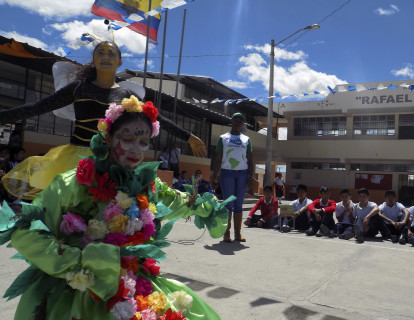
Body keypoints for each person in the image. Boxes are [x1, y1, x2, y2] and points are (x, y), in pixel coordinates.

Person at [0, 98, 230, 320]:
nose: (136, 149)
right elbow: (27, 230)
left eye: (143, 142)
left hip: (133, 283)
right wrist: (80, 264)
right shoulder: (73, 184)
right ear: (109, 138)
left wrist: (209, 209)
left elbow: (178, 202)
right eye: (127, 138)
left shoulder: (148, 185)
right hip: (79, 288)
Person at [0, 41, 207, 200]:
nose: (106, 56)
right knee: (72, 212)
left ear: (120, 62)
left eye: (111, 53)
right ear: (94, 59)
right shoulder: (78, 88)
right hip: (76, 160)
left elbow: (155, 117)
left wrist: (188, 137)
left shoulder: (127, 95)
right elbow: (37, 107)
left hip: (112, 162)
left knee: (108, 214)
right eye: (100, 53)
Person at [212, 112, 254, 242]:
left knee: (239, 204)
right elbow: (218, 158)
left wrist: (251, 176)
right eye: (235, 119)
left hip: (242, 174)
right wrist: (214, 176)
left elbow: (250, 159)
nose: (237, 122)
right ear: (231, 121)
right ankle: (226, 233)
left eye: (240, 121)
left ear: (242, 124)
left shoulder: (246, 140)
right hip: (227, 173)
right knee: (228, 204)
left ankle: (237, 234)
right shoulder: (223, 138)